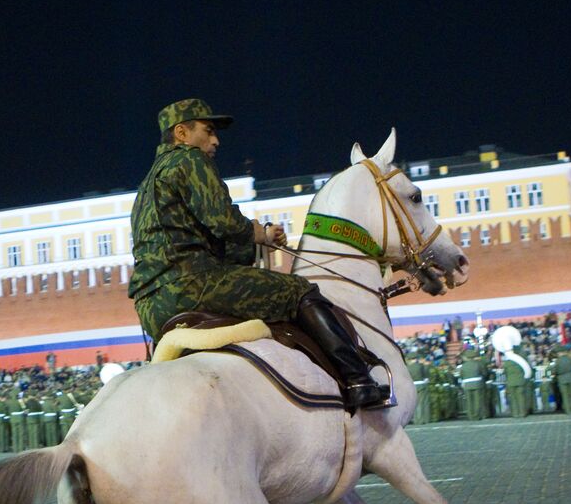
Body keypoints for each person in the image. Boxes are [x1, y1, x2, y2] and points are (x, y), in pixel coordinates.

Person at [127, 99, 390, 410]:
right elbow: (223, 222)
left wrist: (255, 245)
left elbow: (205, 241)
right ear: (182, 133)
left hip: (150, 309)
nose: (215, 141)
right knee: (298, 291)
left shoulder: (147, 185)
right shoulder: (189, 160)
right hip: (191, 287)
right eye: (208, 131)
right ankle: (359, 379)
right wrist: (261, 234)